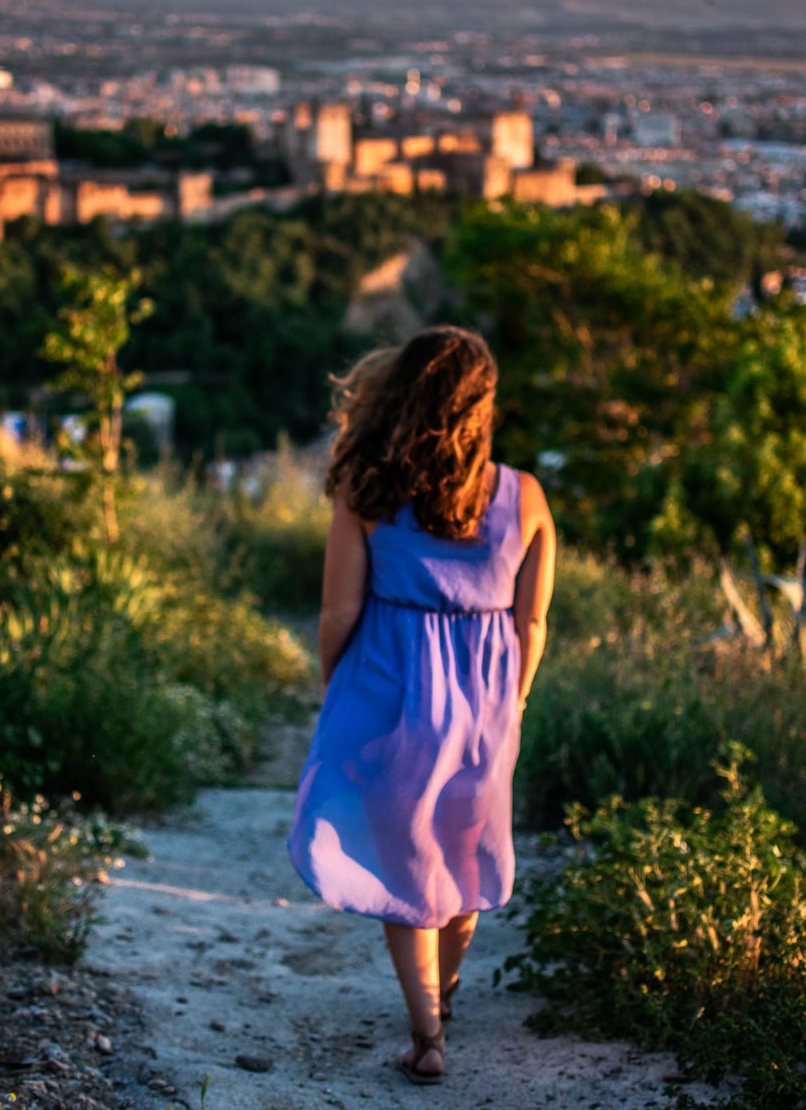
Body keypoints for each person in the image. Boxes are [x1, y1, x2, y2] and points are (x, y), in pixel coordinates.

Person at [287, 325, 556, 1084]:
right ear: (482, 407)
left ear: (405, 397)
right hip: (487, 701)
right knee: (463, 850)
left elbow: (337, 614)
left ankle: (427, 1030)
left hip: (393, 690)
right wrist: (518, 697)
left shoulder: (367, 493)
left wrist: (333, 681)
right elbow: (532, 620)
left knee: (407, 859)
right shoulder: (526, 496)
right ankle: (447, 991)